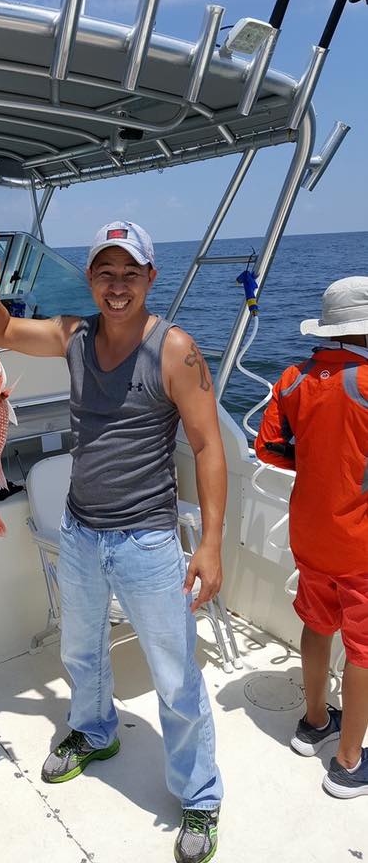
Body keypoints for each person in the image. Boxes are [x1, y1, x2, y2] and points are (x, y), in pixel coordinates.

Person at [0, 221, 227, 862]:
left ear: (150, 277)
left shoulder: (175, 351)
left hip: (148, 541)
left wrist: (211, 543)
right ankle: (93, 731)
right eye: (106, 273)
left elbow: (207, 447)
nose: (117, 286)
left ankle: (199, 795)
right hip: (80, 531)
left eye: (130, 273)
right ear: (90, 279)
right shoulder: (73, 336)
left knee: (175, 675)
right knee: (81, 653)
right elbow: (1, 330)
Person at [255, 276, 368, 798]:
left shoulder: (293, 379)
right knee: (363, 650)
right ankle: (348, 763)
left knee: (317, 625)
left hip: (310, 534)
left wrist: (320, 462)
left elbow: (268, 449)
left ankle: (315, 722)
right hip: (360, 544)